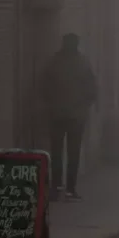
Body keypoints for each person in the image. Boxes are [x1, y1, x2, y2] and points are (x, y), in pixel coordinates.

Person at [41, 33, 97, 201]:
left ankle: (56, 187)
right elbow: (92, 89)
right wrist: (84, 105)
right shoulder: (83, 63)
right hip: (76, 116)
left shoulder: (54, 62)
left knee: (56, 152)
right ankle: (70, 189)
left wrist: (51, 104)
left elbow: (44, 87)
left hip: (57, 115)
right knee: (73, 153)